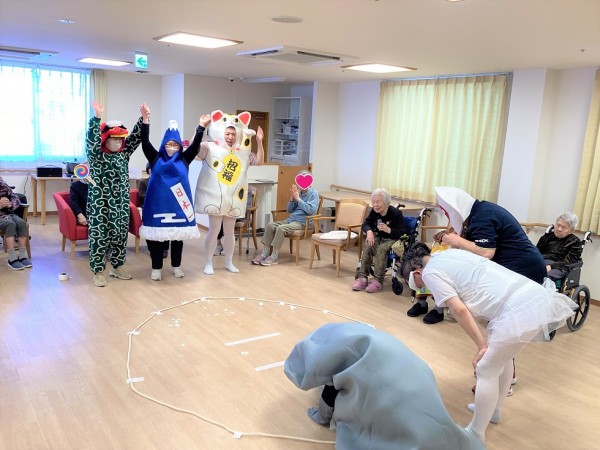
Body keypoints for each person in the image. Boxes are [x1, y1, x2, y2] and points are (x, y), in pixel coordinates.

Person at [403, 244, 576, 444]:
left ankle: (476, 434)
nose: (421, 287)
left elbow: (459, 310)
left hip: (517, 307)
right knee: (503, 359)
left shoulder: (430, 272)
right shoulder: (448, 253)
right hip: (532, 295)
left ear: (417, 272)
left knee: (485, 369)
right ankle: (493, 411)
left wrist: (482, 346)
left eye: (417, 283)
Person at [284, 322, 484, 450]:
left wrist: (321, 415)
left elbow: (328, 396)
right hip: (419, 384)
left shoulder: (338, 353)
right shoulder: (370, 337)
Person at [408, 186, 546, 324]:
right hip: (515, 267)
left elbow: (486, 252)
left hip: (525, 268)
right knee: (506, 320)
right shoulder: (479, 213)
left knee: (517, 321)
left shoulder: (482, 216)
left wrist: (456, 240)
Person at [139, 103, 208, 281]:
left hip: (179, 205)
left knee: (177, 238)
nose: (171, 146)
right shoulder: (155, 158)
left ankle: (176, 266)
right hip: (158, 205)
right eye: (169, 144)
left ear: (179, 147)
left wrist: (201, 127)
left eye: (175, 144)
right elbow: (145, 142)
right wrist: (145, 120)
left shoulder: (184, 159)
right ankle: (156, 268)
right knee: (157, 238)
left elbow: (195, 146)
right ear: (163, 145)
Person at [194, 110, 264, 275]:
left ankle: (229, 261)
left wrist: (259, 142)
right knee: (214, 230)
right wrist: (200, 127)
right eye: (227, 133)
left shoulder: (242, 152)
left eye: (233, 134)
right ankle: (208, 262)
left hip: (234, 197)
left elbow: (259, 161)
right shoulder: (209, 147)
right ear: (221, 133)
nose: (230, 137)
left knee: (230, 231)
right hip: (216, 196)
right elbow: (194, 150)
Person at [85, 101, 142, 287]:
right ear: (105, 139)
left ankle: (117, 267)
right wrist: (96, 118)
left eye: (120, 140)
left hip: (120, 203)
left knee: (120, 235)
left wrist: (143, 119)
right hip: (100, 203)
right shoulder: (96, 155)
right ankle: (98, 272)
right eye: (114, 139)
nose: (118, 143)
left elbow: (135, 138)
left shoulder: (123, 154)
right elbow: (91, 141)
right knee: (99, 237)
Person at [251, 170, 319, 266]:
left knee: (281, 228)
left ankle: (274, 257)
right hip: (291, 220)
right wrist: (292, 198)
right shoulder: (298, 193)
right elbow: (289, 210)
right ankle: (264, 253)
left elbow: (310, 210)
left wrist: (298, 199)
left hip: (304, 222)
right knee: (270, 225)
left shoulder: (313, 194)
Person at [352, 188, 406, 293]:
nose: (375, 205)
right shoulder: (374, 212)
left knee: (381, 249)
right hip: (379, 237)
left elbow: (402, 232)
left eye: (378, 202)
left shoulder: (396, 214)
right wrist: (369, 232)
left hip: (393, 239)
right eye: (373, 202)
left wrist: (389, 230)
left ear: (386, 202)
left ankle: (378, 281)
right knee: (368, 244)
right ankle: (362, 277)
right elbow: (365, 224)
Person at [536, 211, 582, 282]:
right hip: (542, 261)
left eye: (563, 227)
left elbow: (569, 262)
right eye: (558, 225)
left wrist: (551, 266)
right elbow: (536, 252)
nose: (559, 229)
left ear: (571, 230)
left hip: (560, 267)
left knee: (543, 277)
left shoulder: (575, 242)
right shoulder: (546, 237)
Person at [0, 176, 32, 270]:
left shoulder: (3, 185)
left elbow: (16, 198)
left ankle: (22, 256)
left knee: (21, 223)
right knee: (10, 224)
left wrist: (10, 204)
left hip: (9, 214)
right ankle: (12, 258)